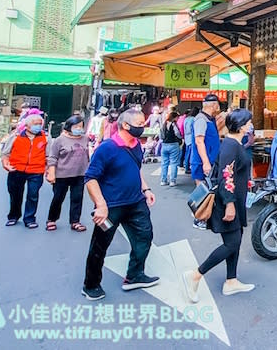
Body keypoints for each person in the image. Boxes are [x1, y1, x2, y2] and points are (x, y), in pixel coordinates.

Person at [82, 109, 158, 301]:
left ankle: (134, 275)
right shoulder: (107, 148)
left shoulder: (136, 146)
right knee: (100, 246)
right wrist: (100, 205)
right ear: (126, 125)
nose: (143, 127)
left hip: (136, 203)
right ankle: (90, 285)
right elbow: (90, 178)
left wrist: (146, 189)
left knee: (144, 237)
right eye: (140, 124)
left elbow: (136, 170)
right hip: (110, 207)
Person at [182, 109, 256, 302]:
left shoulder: (233, 143)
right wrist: (230, 204)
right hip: (227, 202)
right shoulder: (231, 145)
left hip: (235, 200)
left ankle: (231, 280)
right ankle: (196, 275)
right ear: (241, 126)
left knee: (236, 241)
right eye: (248, 122)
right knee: (232, 243)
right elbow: (226, 177)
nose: (251, 125)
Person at [2, 112, 48, 228]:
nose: (38, 126)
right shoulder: (15, 137)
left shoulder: (45, 138)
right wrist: (5, 164)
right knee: (15, 195)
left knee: (33, 195)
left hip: (36, 171)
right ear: (27, 126)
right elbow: (5, 153)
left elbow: (49, 155)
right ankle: (13, 216)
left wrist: (49, 170)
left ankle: (29, 218)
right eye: (35, 124)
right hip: (16, 170)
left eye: (39, 124)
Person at [46, 115, 89, 232]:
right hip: (62, 175)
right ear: (69, 127)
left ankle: (75, 221)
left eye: (81, 126)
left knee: (77, 198)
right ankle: (52, 220)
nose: (79, 129)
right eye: (76, 126)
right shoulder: (60, 140)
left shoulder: (85, 138)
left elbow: (88, 155)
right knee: (58, 198)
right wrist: (51, 173)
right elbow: (53, 157)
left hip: (80, 174)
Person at [190, 95, 222, 229]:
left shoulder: (210, 119)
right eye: (218, 105)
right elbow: (199, 141)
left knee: (209, 190)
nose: (219, 108)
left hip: (210, 160)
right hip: (202, 161)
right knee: (202, 192)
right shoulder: (201, 120)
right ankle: (199, 219)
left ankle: (205, 217)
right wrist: (205, 162)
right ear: (213, 105)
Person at [160, 111, 183, 187]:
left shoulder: (164, 123)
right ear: (174, 117)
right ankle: (172, 181)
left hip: (164, 145)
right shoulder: (173, 124)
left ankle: (163, 180)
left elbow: (161, 135)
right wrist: (180, 137)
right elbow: (177, 133)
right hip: (173, 144)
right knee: (173, 163)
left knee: (164, 163)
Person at [182, 107, 199, 172]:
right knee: (191, 153)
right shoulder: (194, 119)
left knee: (187, 153)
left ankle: (186, 166)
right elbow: (191, 129)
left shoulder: (186, 119)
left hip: (186, 137)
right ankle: (188, 167)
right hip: (191, 137)